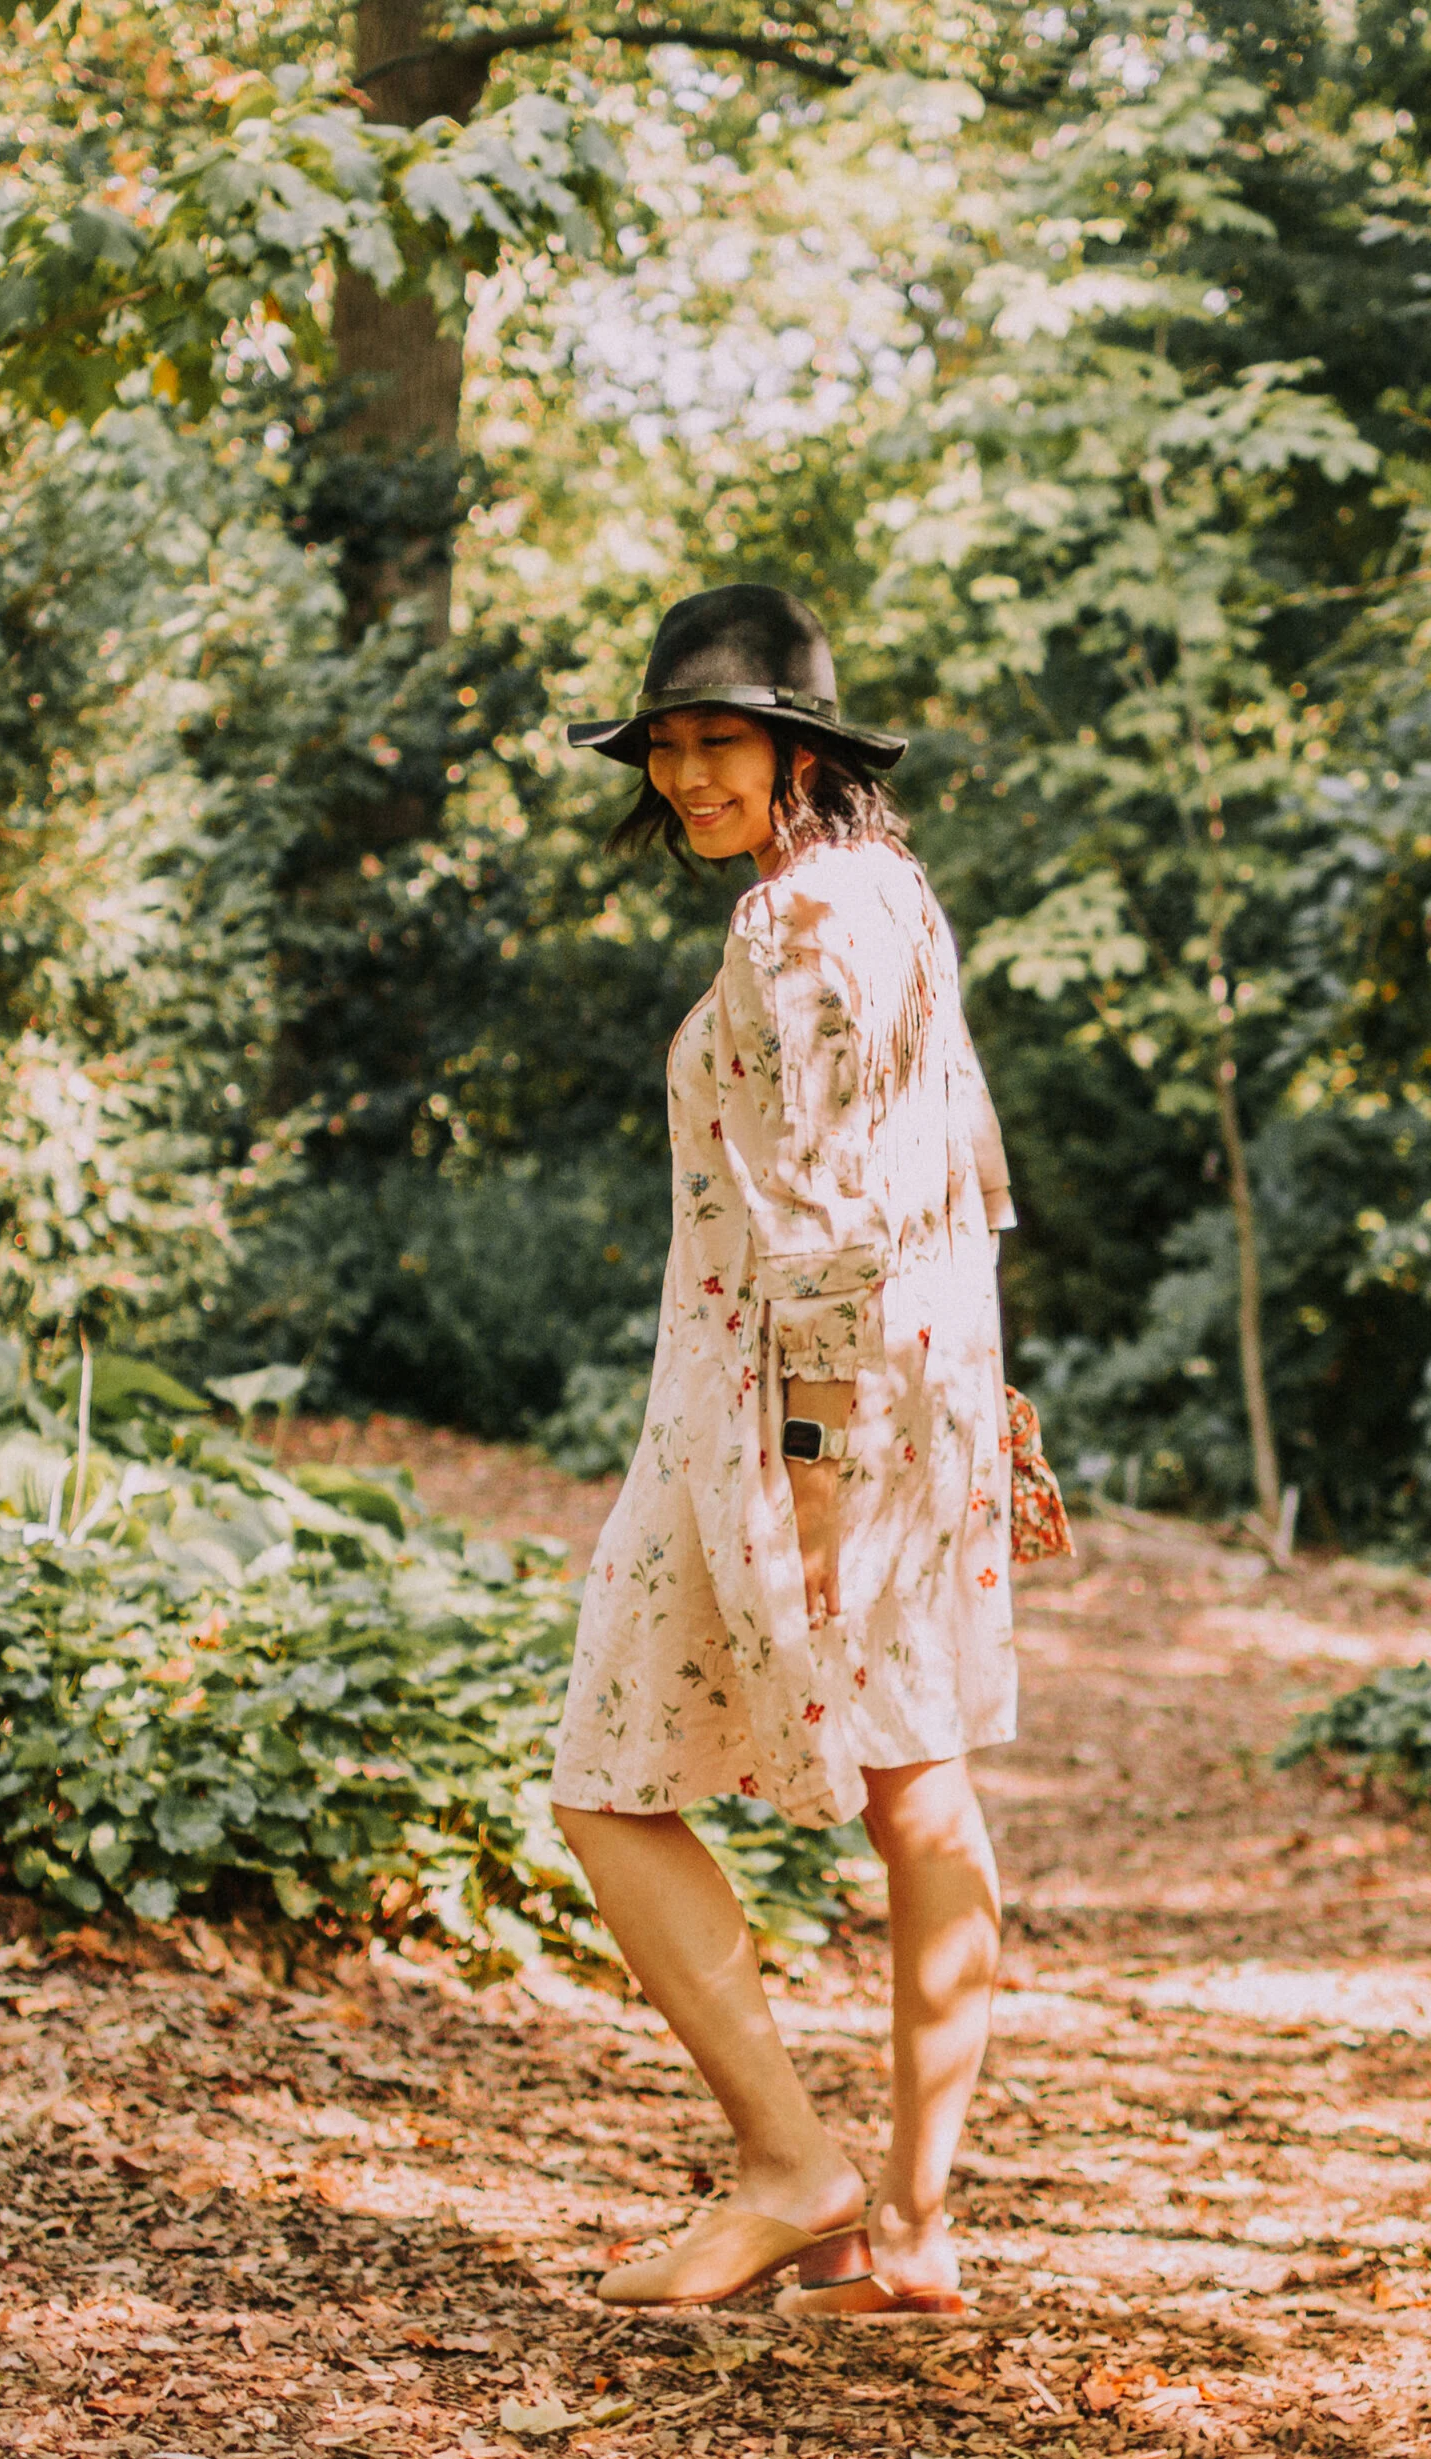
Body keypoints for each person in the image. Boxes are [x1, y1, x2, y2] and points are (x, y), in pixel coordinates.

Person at [550, 584, 1019, 2320]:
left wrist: (817, 1478)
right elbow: (967, 1171)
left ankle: (791, 2166)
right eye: (667, 745)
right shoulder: (894, 901)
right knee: (919, 1786)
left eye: (718, 741)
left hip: (790, 1414)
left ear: (801, 750)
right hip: (910, 1396)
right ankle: (909, 2228)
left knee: (607, 1775)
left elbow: (828, 1222)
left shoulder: (791, 932)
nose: (685, 774)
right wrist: (964, 1407)